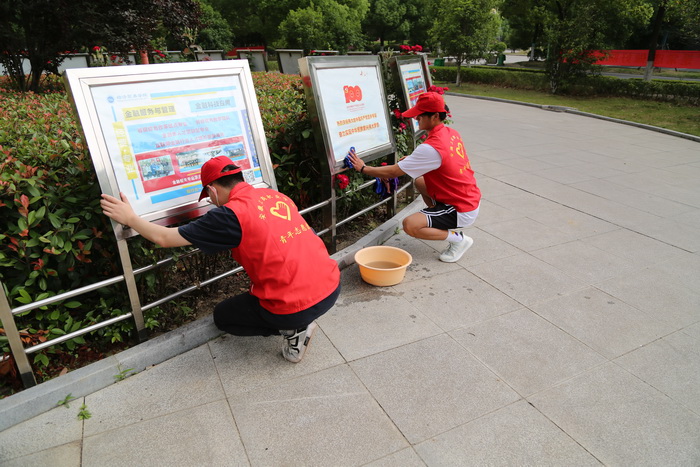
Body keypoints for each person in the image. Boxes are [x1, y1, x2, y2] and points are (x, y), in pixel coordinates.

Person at [100, 156, 340, 363]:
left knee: (224, 317)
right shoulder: (274, 195)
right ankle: (298, 321)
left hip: (294, 305)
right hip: (331, 286)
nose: (210, 200)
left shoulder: (229, 215)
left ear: (212, 190)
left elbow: (164, 237)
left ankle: (294, 329)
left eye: (207, 196)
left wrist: (130, 218)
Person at [348, 91, 481, 263]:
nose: (416, 118)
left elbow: (393, 172)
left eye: (420, 115)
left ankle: (459, 240)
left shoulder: (431, 147)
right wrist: (412, 160)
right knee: (419, 181)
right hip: (468, 196)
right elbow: (443, 162)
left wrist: (363, 168)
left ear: (435, 116)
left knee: (410, 225)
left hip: (460, 207)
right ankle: (437, 216)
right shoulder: (450, 132)